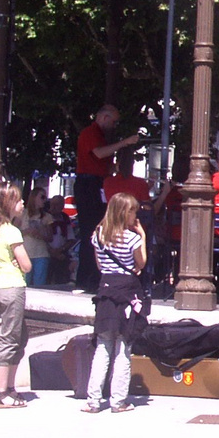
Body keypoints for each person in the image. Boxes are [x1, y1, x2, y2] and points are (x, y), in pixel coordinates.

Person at [84, 191, 146, 414]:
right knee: (123, 348)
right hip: (127, 292)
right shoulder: (132, 238)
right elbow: (142, 263)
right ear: (124, 212)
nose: (135, 216)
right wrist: (143, 236)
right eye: (133, 212)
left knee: (103, 347)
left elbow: (100, 266)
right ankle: (118, 400)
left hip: (106, 291)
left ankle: (93, 400)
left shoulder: (98, 234)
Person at [74, 104, 143, 291]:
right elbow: (99, 153)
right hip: (89, 184)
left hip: (96, 182)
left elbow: (102, 161)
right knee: (90, 228)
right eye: (113, 121)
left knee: (97, 227)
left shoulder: (100, 136)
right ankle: (86, 277)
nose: (114, 125)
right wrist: (124, 143)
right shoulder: (90, 133)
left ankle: (92, 277)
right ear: (104, 117)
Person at [0, 183, 32, 408]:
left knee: (19, 336)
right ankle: (2, 391)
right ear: (8, 205)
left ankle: (10, 387)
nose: (22, 203)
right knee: (10, 338)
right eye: (18, 200)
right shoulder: (12, 231)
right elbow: (26, 265)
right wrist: (21, 263)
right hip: (12, 285)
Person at [20, 188, 54, 287]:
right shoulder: (23, 214)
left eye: (45, 197)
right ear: (34, 197)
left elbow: (50, 237)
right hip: (25, 254)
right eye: (42, 197)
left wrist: (40, 233)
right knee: (24, 284)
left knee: (39, 287)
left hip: (41, 255)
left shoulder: (47, 217)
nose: (45, 200)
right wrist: (27, 231)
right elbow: (14, 231)